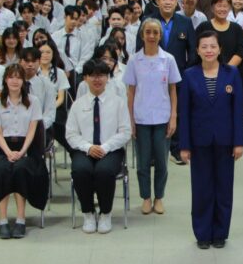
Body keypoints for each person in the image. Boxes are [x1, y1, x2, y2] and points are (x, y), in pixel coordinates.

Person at [179, 31, 243, 248]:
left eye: (213, 46)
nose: (209, 50)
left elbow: (238, 110)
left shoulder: (231, 73)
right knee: (202, 189)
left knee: (224, 189)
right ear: (197, 50)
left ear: (220, 49)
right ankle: (202, 234)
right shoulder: (189, 75)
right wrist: (184, 145)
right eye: (204, 47)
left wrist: (239, 142)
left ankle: (220, 233)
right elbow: (184, 113)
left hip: (226, 141)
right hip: (199, 141)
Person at [123, 18, 181, 215]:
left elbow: (173, 90)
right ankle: (146, 197)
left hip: (162, 117)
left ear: (160, 35)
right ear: (142, 35)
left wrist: (173, 116)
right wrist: (130, 120)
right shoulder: (134, 60)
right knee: (143, 162)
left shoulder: (168, 59)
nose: (152, 36)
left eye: (156, 32)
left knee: (162, 162)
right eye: (148, 32)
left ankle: (159, 197)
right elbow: (131, 92)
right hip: (141, 118)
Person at [67, 59, 132, 234]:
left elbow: (125, 132)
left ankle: (105, 213)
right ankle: (88, 213)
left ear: (107, 78)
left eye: (101, 75)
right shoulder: (78, 105)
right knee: (81, 170)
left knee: (104, 171)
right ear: (85, 78)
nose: (97, 80)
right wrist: (88, 147)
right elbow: (71, 134)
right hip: (84, 149)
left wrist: (105, 147)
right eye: (93, 76)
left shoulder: (118, 102)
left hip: (111, 150)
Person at [0, 63, 44, 238]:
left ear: (23, 80)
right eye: (11, 77)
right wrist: (8, 152)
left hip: (27, 147)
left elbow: (33, 130)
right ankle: (3, 220)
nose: (15, 81)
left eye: (18, 77)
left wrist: (23, 151)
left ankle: (20, 219)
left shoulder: (33, 101)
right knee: (0, 170)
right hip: (4, 147)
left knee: (20, 169)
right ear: (5, 80)